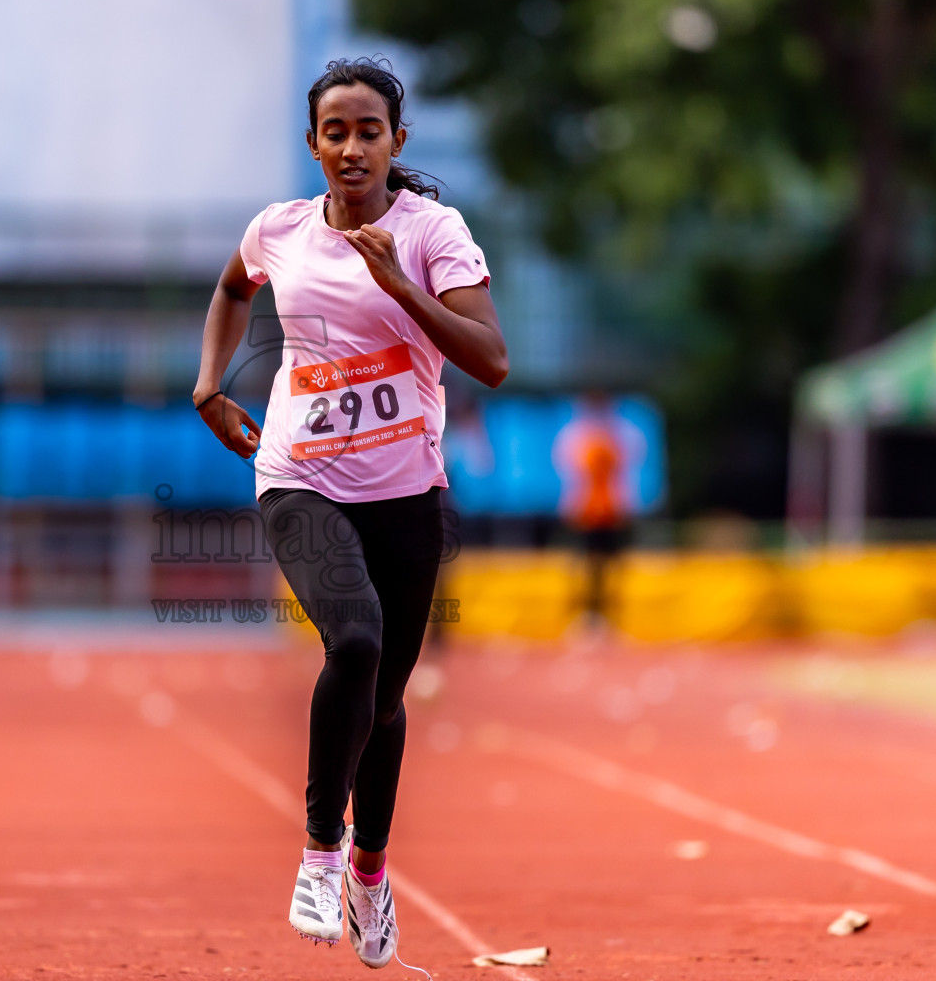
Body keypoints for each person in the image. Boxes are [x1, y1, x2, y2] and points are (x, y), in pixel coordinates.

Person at [193, 57, 507, 969]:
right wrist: (210, 384)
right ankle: (322, 854)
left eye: (370, 131)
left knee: (391, 700)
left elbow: (491, 359)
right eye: (337, 132)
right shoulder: (278, 229)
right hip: (298, 476)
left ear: (396, 143)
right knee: (357, 644)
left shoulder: (432, 232)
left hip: (407, 489)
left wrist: (398, 286)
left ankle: (372, 872)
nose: (354, 147)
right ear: (314, 145)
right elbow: (229, 289)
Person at [552, 391, 634, 639]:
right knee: (583, 567)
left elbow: (624, 473)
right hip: (586, 509)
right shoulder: (575, 435)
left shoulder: (620, 433)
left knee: (612, 568)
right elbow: (571, 474)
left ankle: (610, 620)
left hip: (610, 508)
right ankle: (584, 619)